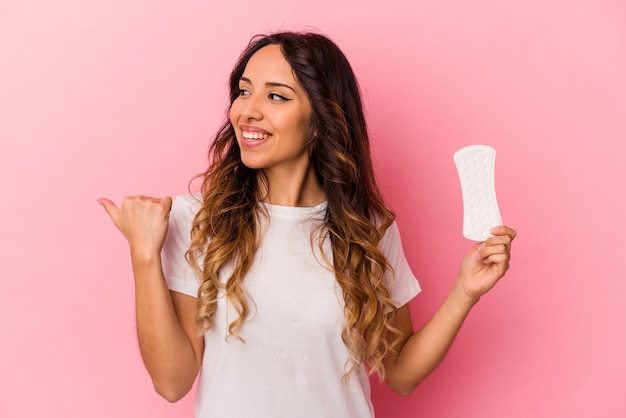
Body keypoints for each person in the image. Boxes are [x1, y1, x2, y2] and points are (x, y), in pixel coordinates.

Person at [98, 31, 516, 417]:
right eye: (244, 91)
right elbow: (172, 383)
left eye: (276, 97)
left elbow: (402, 374)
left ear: (320, 119)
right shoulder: (197, 220)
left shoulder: (366, 228)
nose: (248, 110)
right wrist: (143, 254)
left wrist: (465, 292)